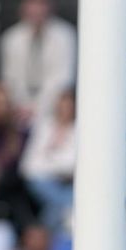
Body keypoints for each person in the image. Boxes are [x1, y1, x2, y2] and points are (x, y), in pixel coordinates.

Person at [0, 0, 76, 123]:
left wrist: (38, 107)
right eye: (33, 4)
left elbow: (64, 78)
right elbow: (9, 78)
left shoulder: (65, 35)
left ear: (51, 7)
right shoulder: (11, 38)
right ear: (23, 7)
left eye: (42, 4)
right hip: (18, 110)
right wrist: (23, 107)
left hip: (54, 110)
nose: (38, 10)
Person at [18, 90, 76, 230]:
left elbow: (71, 165)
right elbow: (28, 166)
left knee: (56, 206)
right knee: (69, 203)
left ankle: (43, 234)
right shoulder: (44, 126)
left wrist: (48, 161)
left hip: (66, 185)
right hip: (39, 181)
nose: (64, 111)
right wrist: (58, 165)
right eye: (62, 106)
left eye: (68, 107)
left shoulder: (79, 129)